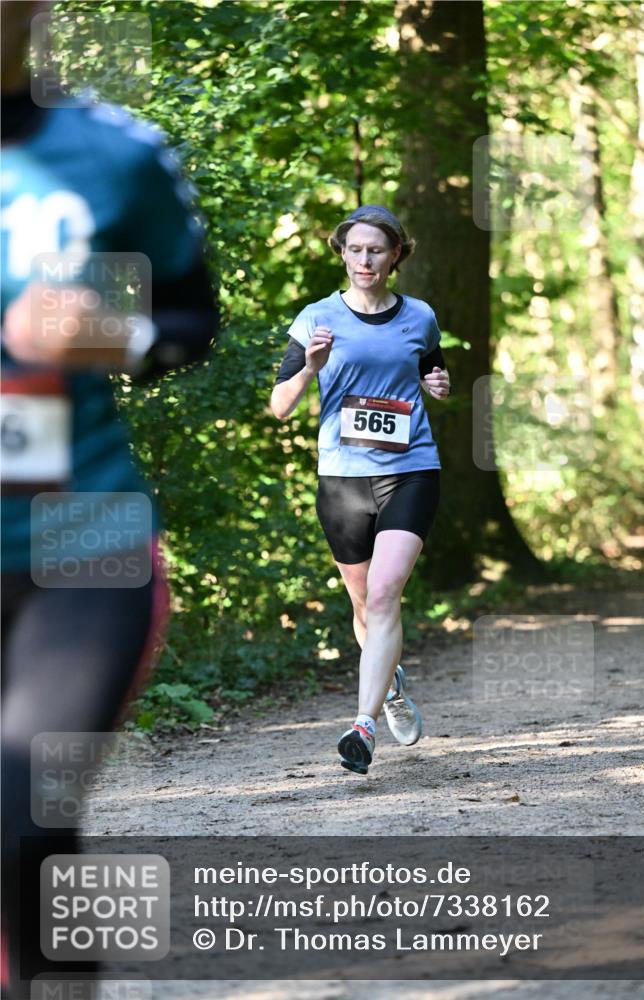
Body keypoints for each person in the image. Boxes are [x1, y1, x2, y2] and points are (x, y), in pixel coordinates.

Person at [0, 3, 219, 995]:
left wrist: (111, 334)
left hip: (80, 531)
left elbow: (189, 317)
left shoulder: (115, 152)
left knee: (20, 799)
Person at [271, 204, 450, 775]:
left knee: (384, 591)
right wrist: (310, 366)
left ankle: (363, 724)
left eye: (377, 250)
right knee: (361, 601)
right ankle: (391, 688)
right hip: (343, 477)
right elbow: (279, 407)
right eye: (356, 249)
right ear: (342, 254)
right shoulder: (315, 318)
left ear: (396, 255)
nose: (365, 259)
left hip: (411, 469)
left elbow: (430, 372)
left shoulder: (419, 316)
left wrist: (439, 383)